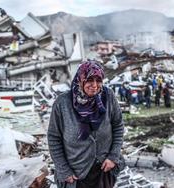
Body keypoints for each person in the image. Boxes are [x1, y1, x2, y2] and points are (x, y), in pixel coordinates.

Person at [48, 60, 125, 188]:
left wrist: (113, 156)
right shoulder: (62, 103)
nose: (94, 85)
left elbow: (118, 126)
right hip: (76, 175)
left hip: (103, 170)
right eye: (89, 80)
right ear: (80, 80)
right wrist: (64, 170)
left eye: (98, 80)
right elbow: (54, 138)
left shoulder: (108, 97)